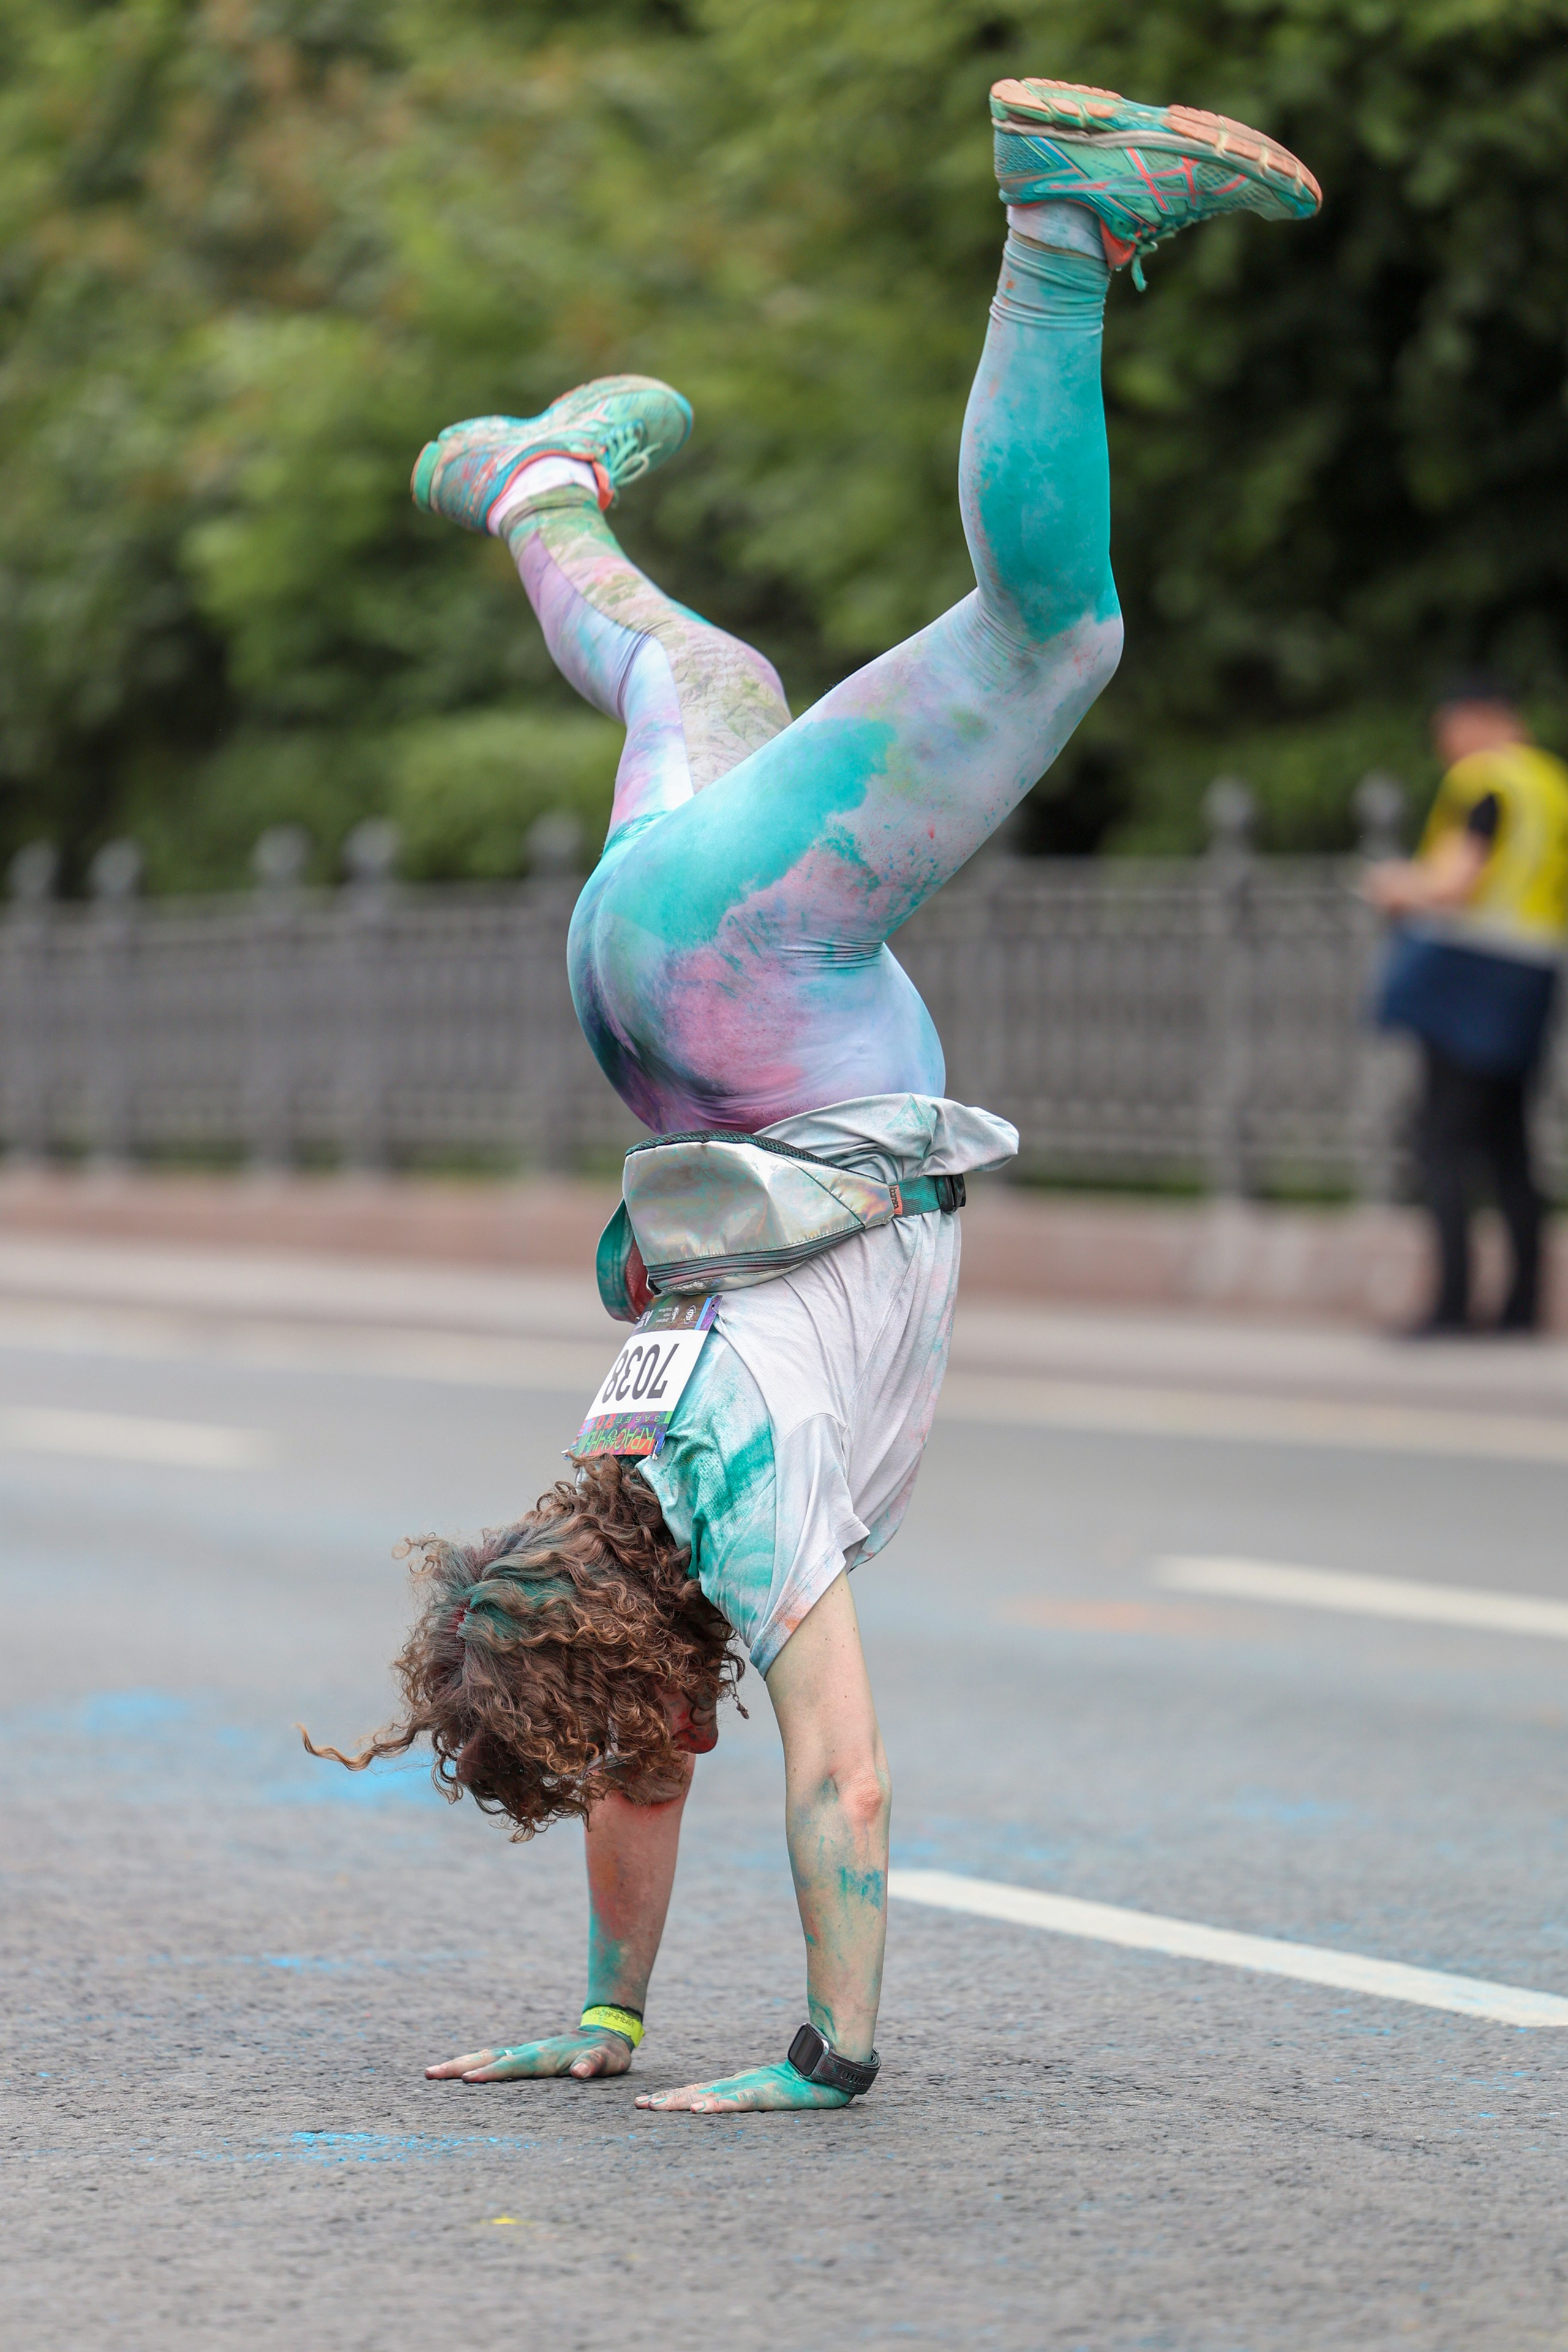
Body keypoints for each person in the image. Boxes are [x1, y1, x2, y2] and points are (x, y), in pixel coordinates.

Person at [306, 77, 1319, 2113]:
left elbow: (837, 1770)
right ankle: (542, 489)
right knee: (706, 689)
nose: (655, 1748)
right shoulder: (626, 1479)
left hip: (751, 986)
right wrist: (602, 2022)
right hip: (650, 990)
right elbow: (634, 1741)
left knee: (1055, 639)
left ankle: (1056, 231)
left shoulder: (743, 1528)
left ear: (655, 1658)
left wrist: (826, 2054)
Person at [1366, 677, 1568, 1333]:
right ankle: (1521, 1309)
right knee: (1511, 1149)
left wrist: (1397, 887)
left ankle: (1451, 1305)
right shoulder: (1551, 785)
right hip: (1533, 975)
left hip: (1469, 980)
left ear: (1478, 720)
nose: (1445, 746)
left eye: (1447, 729)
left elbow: (1456, 882)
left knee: (1444, 1145)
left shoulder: (1486, 779)